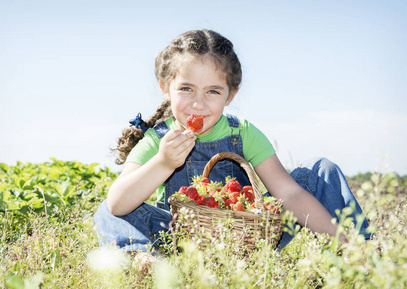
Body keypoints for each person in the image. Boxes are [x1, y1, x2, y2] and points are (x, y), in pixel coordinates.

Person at [94, 29, 371, 254]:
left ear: (230, 96)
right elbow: (118, 204)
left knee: (322, 170)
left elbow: (289, 193)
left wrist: (341, 238)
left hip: (250, 236)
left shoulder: (243, 133)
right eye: (186, 89)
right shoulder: (158, 138)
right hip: (179, 239)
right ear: (166, 89)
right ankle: (144, 262)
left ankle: (360, 252)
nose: (198, 104)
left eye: (213, 91)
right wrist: (163, 162)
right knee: (107, 209)